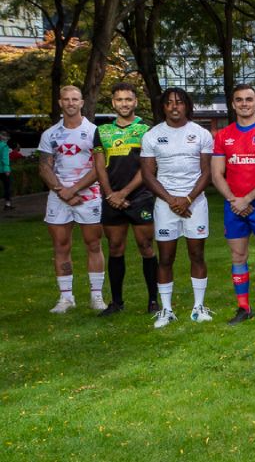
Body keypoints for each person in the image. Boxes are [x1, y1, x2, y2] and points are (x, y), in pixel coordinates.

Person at [139, 88, 214, 328]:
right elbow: (148, 174)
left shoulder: (201, 133)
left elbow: (207, 172)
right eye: (170, 103)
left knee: (197, 254)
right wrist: (172, 200)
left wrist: (188, 199)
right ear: (163, 107)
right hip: (165, 204)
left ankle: (198, 307)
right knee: (166, 257)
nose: (174, 107)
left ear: (186, 106)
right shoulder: (152, 135)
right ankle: (166, 310)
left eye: (179, 103)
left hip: (195, 203)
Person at [211, 84, 255, 325]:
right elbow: (217, 174)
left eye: (249, 99)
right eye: (239, 99)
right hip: (234, 207)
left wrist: (247, 199)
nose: (244, 104)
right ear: (233, 104)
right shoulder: (223, 135)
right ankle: (244, 307)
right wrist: (234, 200)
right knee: (238, 255)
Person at [92, 82, 159, 316]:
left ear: (135, 102)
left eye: (128, 99)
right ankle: (117, 302)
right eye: (119, 100)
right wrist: (111, 194)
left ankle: (153, 301)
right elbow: (99, 166)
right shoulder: (102, 131)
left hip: (140, 197)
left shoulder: (147, 130)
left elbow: (148, 167)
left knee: (146, 246)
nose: (124, 104)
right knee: (115, 248)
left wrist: (123, 193)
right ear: (113, 103)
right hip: (112, 199)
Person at [39, 86, 106, 313]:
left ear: (82, 102)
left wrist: (75, 189)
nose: (70, 103)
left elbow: (99, 168)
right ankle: (66, 298)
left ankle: (96, 297)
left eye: (74, 99)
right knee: (60, 246)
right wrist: (62, 191)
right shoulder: (50, 134)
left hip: (89, 195)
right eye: (66, 99)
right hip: (59, 197)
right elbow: (44, 168)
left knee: (94, 244)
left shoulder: (95, 131)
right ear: (60, 103)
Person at [1, 130, 13, 210]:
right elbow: (5, 158)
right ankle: (7, 204)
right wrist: (7, 168)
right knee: (7, 187)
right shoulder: (4, 146)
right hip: (2, 170)